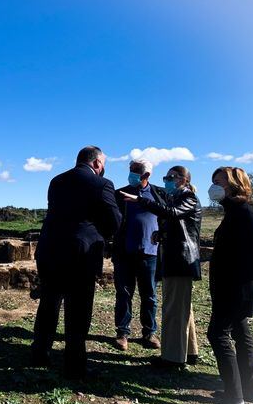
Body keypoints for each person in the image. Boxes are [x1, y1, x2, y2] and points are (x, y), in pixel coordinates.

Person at [31, 146, 121, 378]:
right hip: (80, 255)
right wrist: (99, 231)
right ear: (98, 163)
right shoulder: (103, 184)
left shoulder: (57, 180)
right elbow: (114, 221)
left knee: (49, 304)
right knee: (78, 311)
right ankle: (74, 364)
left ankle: (40, 353)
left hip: (51, 250)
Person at [205, 167, 253, 404]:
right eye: (213, 181)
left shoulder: (244, 214)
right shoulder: (233, 212)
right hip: (233, 285)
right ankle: (247, 390)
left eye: (220, 182)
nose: (215, 186)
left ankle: (234, 399)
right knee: (240, 332)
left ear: (235, 184)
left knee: (218, 335)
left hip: (235, 287)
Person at [120, 165, 201, 368]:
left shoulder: (188, 198)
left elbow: (172, 213)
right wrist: (161, 232)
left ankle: (172, 359)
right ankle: (189, 352)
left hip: (181, 260)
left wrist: (141, 200)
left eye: (170, 177)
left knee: (174, 309)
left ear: (183, 179)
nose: (166, 181)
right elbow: (175, 222)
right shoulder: (178, 197)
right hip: (176, 259)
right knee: (182, 308)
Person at [112, 159, 166, 351]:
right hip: (124, 252)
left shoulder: (159, 194)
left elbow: (169, 216)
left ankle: (149, 332)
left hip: (150, 253)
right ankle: (122, 332)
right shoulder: (119, 194)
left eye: (135, 171)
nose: (132, 173)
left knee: (149, 295)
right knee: (124, 293)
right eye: (131, 170)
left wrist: (163, 232)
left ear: (147, 175)